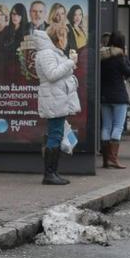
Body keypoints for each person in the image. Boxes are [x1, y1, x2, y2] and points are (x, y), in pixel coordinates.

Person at [34, 23, 80, 185]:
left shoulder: (52, 52)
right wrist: (69, 62)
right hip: (53, 98)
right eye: (64, 36)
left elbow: (59, 73)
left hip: (57, 98)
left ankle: (53, 173)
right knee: (54, 135)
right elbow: (52, 75)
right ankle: (49, 174)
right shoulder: (47, 53)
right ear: (58, 36)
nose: (66, 39)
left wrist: (69, 64)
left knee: (57, 134)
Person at [100, 30, 130, 169]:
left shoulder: (102, 56)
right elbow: (129, 73)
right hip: (119, 95)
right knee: (118, 126)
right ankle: (114, 158)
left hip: (104, 95)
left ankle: (106, 160)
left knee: (106, 126)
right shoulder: (120, 57)